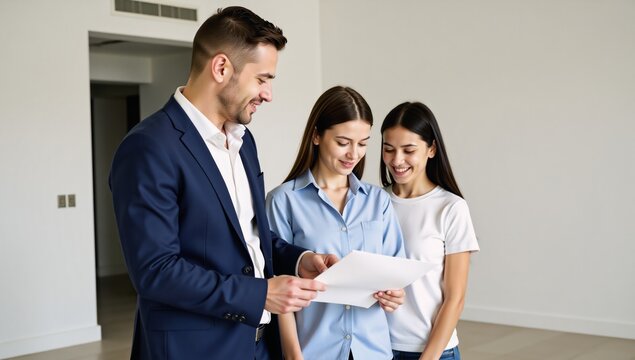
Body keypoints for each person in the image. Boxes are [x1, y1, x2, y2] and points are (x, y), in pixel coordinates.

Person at [109, 7, 337, 360]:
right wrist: (259, 295)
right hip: (194, 350)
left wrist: (299, 259)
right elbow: (156, 271)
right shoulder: (148, 147)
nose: (268, 94)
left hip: (261, 344)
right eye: (262, 79)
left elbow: (248, 237)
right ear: (221, 68)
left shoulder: (244, 142)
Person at [266, 86, 406, 360]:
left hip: (373, 350)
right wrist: (294, 356)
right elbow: (278, 284)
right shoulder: (283, 201)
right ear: (317, 135)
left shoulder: (378, 201)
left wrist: (395, 295)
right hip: (313, 351)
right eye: (343, 142)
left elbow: (395, 274)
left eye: (363, 143)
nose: (354, 154)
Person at [380, 102, 480, 360]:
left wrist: (429, 357)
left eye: (408, 150)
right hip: (377, 346)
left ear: (432, 149)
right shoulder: (373, 203)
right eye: (388, 149)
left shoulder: (451, 208)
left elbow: (454, 298)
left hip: (433, 352)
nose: (397, 160)